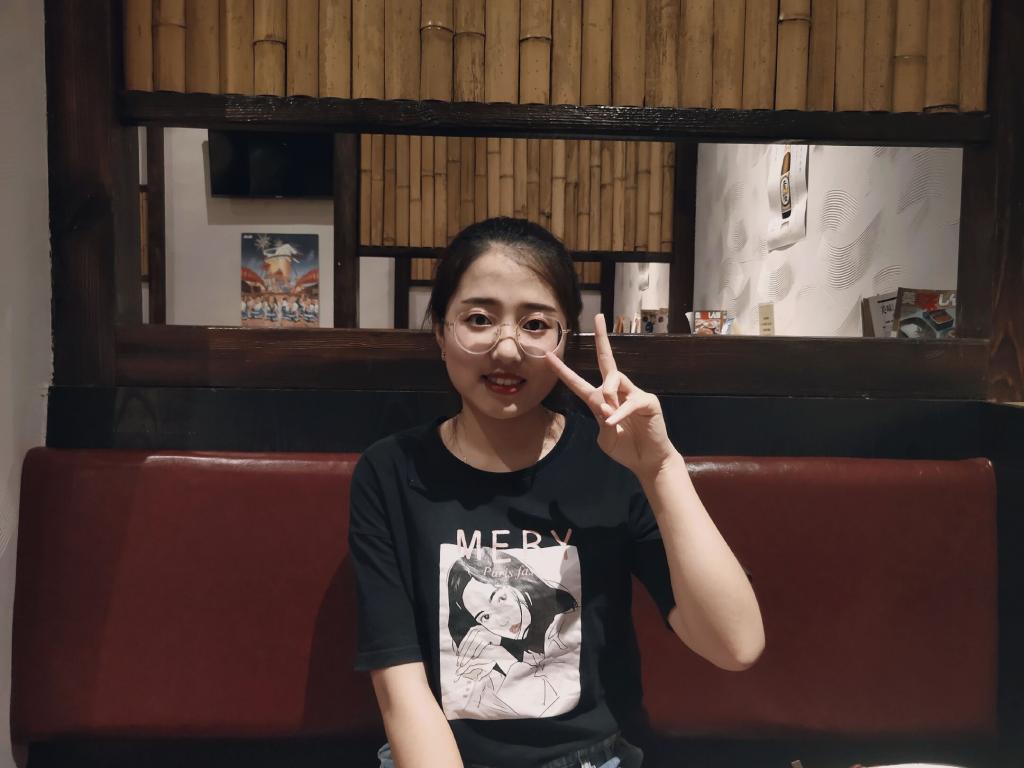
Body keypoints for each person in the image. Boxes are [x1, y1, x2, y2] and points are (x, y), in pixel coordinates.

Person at [349, 218, 764, 768]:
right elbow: (401, 692)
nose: (507, 349)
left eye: (536, 324)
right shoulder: (390, 471)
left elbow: (736, 645)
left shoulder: (612, 461)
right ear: (441, 334)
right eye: (478, 319)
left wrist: (661, 469)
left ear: (565, 340)